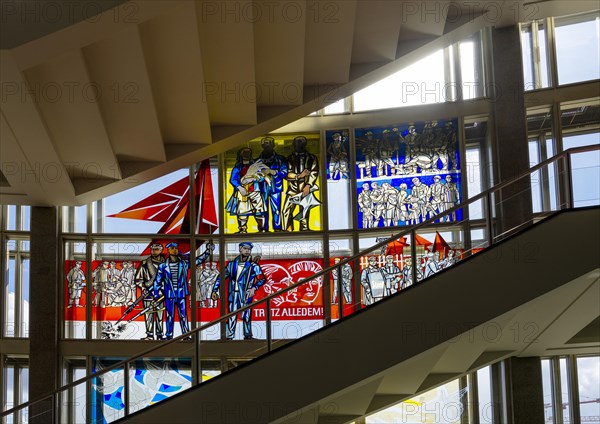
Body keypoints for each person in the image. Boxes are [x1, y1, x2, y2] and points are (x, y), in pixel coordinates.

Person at [154, 241, 214, 340]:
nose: (175, 250)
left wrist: (208, 251)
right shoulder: (163, 266)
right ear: (168, 250)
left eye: (176, 248)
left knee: (183, 315)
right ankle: (169, 335)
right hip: (169, 294)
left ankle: (185, 335)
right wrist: (157, 295)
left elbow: (198, 260)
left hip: (181, 292)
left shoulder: (184, 264)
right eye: (172, 248)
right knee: (169, 316)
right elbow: (157, 281)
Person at [212, 242, 266, 340]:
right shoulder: (232, 264)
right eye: (245, 248)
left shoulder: (254, 266)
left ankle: (248, 335)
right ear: (240, 249)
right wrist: (214, 289)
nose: (247, 251)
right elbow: (221, 277)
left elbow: (262, 279)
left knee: (247, 315)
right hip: (233, 293)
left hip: (246, 293)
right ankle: (229, 336)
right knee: (232, 315)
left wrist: (254, 288)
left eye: (249, 249)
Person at [226, 147, 267, 233]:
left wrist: (255, 178)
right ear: (240, 155)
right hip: (242, 192)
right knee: (242, 211)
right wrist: (240, 187)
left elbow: (263, 177)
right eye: (244, 153)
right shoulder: (237, 167)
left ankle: (261, 229)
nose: (246, 155)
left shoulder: (255, 166)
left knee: (259, 210)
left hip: (255, 191)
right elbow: (233, 179)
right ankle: (242, 229)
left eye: (248, 153)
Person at [282, 136, 319, 231]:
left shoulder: (312, 158)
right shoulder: (289, 158)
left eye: (300, 144)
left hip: (305, 188)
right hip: (292, 189)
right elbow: (286, 174)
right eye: (296, 144)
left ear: (304, 145)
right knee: (286, 210)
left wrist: (308, 185)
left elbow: (314, 173)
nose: (298, 146)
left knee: (305, 209)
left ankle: (304, 229)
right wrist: (299, 176)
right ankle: (288, 230)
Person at [135, 243, 166, 340]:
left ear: (161, 250)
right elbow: (138, 279)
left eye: (156, 249)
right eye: (152, 249)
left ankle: (160, 335)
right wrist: (144, 288)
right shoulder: (144, 264)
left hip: (161, 294)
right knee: (148, 315)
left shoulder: (166, 264)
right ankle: (149, 335)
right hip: (148, 293)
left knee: (160, 315)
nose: (153, 251)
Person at [256, 137, 288, 231]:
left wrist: (274, 172)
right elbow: (254, 175)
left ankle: (277, 228)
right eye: (265, 144)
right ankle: (264, 229)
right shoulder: (257, 161)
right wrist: (262, 175)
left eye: (269, 144)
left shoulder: (280, 159)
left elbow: (285, 172)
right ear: (262, 145)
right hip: (263, 188)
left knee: (276, 209)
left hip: (276, 187)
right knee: (263, 210)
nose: (267, 146)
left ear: (273, 145)